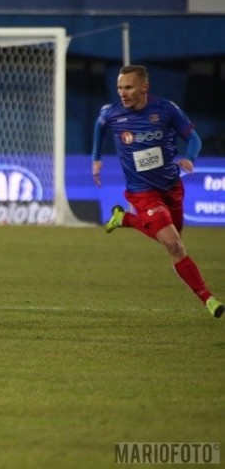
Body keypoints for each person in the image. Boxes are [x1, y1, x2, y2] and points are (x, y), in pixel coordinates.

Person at [92, 64, 222, 318]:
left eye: (128, 87)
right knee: (174, 245)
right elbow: (100, 125)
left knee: (176, 243)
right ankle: (209, 299)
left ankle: (125, 218)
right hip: (142, 193)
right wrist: (96, 158)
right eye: (120, 87)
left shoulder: (166, 110)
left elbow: (194, 138)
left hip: (172, 188)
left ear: (144, 87)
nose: (123, 93)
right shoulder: (113, 114)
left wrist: (191, 159)